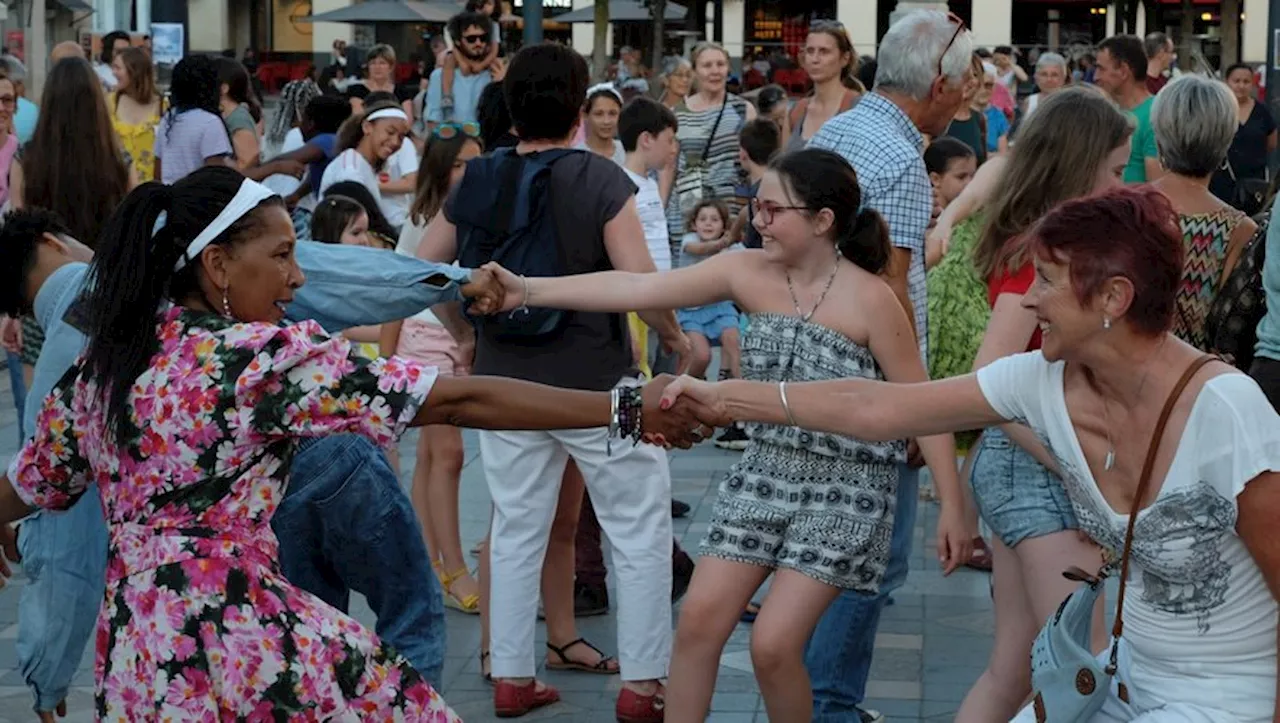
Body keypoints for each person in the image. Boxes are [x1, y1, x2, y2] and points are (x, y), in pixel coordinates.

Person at [0, 166, 705, 719]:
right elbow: (457, 397)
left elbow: (23, 489)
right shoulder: (257, 360)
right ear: (216, 264)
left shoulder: (100, 370)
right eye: (281, 255)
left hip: (140, 657)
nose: (299, 276)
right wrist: (622, 409)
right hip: (241, 638)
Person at [659, 185, 1280, 723]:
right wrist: (724, 398)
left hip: (1222, 698)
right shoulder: (1040, 380)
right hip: (1112, 681)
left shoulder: (1226, 410)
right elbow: (873, 406)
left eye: (1047, 280)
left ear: (1114, 298)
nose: (1029, 300)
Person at [473, 147, 968, 722]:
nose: (757, 221)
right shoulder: (745, 270)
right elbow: (636, 290)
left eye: (772, 210)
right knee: (698, 627)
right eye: (756, 207)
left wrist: (953, 506)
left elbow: (920, 404)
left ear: (822, 220)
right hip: (763, 473)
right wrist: (528, 290)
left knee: (773, 646)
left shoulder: (873, 299)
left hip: (848, 487)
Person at [2, 204, 494, 717]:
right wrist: (457, 281)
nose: (296, 274)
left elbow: (57, 528)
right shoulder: (244, 348)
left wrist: (48, 670)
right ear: (53, 239)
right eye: (284, 255)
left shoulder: (88, 364)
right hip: (252, 583)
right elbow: (352, 278)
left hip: (145, 647)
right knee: (405, 613)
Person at [416, 42, 688, 721]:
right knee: (639, 523)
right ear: (577, 109)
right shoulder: (599, 180)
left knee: (513, 525)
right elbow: (639, 283)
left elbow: (426, 267)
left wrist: (465, 333)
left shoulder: (475, 180)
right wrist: (678, 338)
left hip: (507, 387)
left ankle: (511, 674)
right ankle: (643, 684)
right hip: (607, 390)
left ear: (509, 109)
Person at [804, 11, 974, 721]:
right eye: (963, 84)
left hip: (813, 366)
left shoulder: (840, 126)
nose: (967, 98)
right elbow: (894, 294)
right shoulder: (905, 160)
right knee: (872, 565)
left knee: (823, 554)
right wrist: (917, 414)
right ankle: (831, 705)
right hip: (871, 390)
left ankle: (816, 698)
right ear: (936, 81)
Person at [956, 84, 1133, 722]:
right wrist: (1076, 468)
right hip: (1032, 463)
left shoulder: (1043, 242)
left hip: (1021, 462)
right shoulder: (1042, 250)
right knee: (1078, 664)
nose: (1123, 182)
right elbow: (991, 380)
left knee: (1017, 668)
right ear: (1081, 162)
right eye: (1116, 168)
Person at [1149, 74, 1257, 353]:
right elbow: (1229, 324)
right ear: (1225, 140)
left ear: (1160, 134)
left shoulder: (1121, 206)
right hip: (1191, 377)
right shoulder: (1238, 229)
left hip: (1116, 370)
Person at [1209, 63, 1278, 214]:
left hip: (1254, 183)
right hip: (1222, 181)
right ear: (1227, 82)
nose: (1241, 86)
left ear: (1252, 84)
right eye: (1236, 81)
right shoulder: (1218, 110)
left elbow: (1272, 142)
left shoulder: (1262, 112)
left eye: (1246, 81)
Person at [1094, 35, 1162, 184]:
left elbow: (1157, 190)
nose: (1095, 76)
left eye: (1101, 69)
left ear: (1124, 71)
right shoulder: (1104, 112)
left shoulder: (1155, 116)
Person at [786, 21, 861, 151]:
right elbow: (782, 166)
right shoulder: (796, 111)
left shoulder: (858, 108)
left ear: (845, 58)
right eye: (810, 51)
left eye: (824, 52)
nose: (815, 59)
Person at [427, 11, 501, 128]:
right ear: (457, 41)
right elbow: (433, 120)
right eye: (471, 39)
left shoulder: (496, 75)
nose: (478, 43)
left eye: (483, 38)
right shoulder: (439, 76)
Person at [109, 46, 164, 183]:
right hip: (119, 185)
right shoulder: (110, 102)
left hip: (153, 188)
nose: (113, 73)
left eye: (118, 68)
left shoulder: (164, 106)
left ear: (134, 71)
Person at [1021, 51, 1067, 119]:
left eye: (1054, 75)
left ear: (1063, 78)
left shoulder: (1072, 102)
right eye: (1044, 74)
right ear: (1036, 77)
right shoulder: (1029, 102)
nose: (1049, 79)